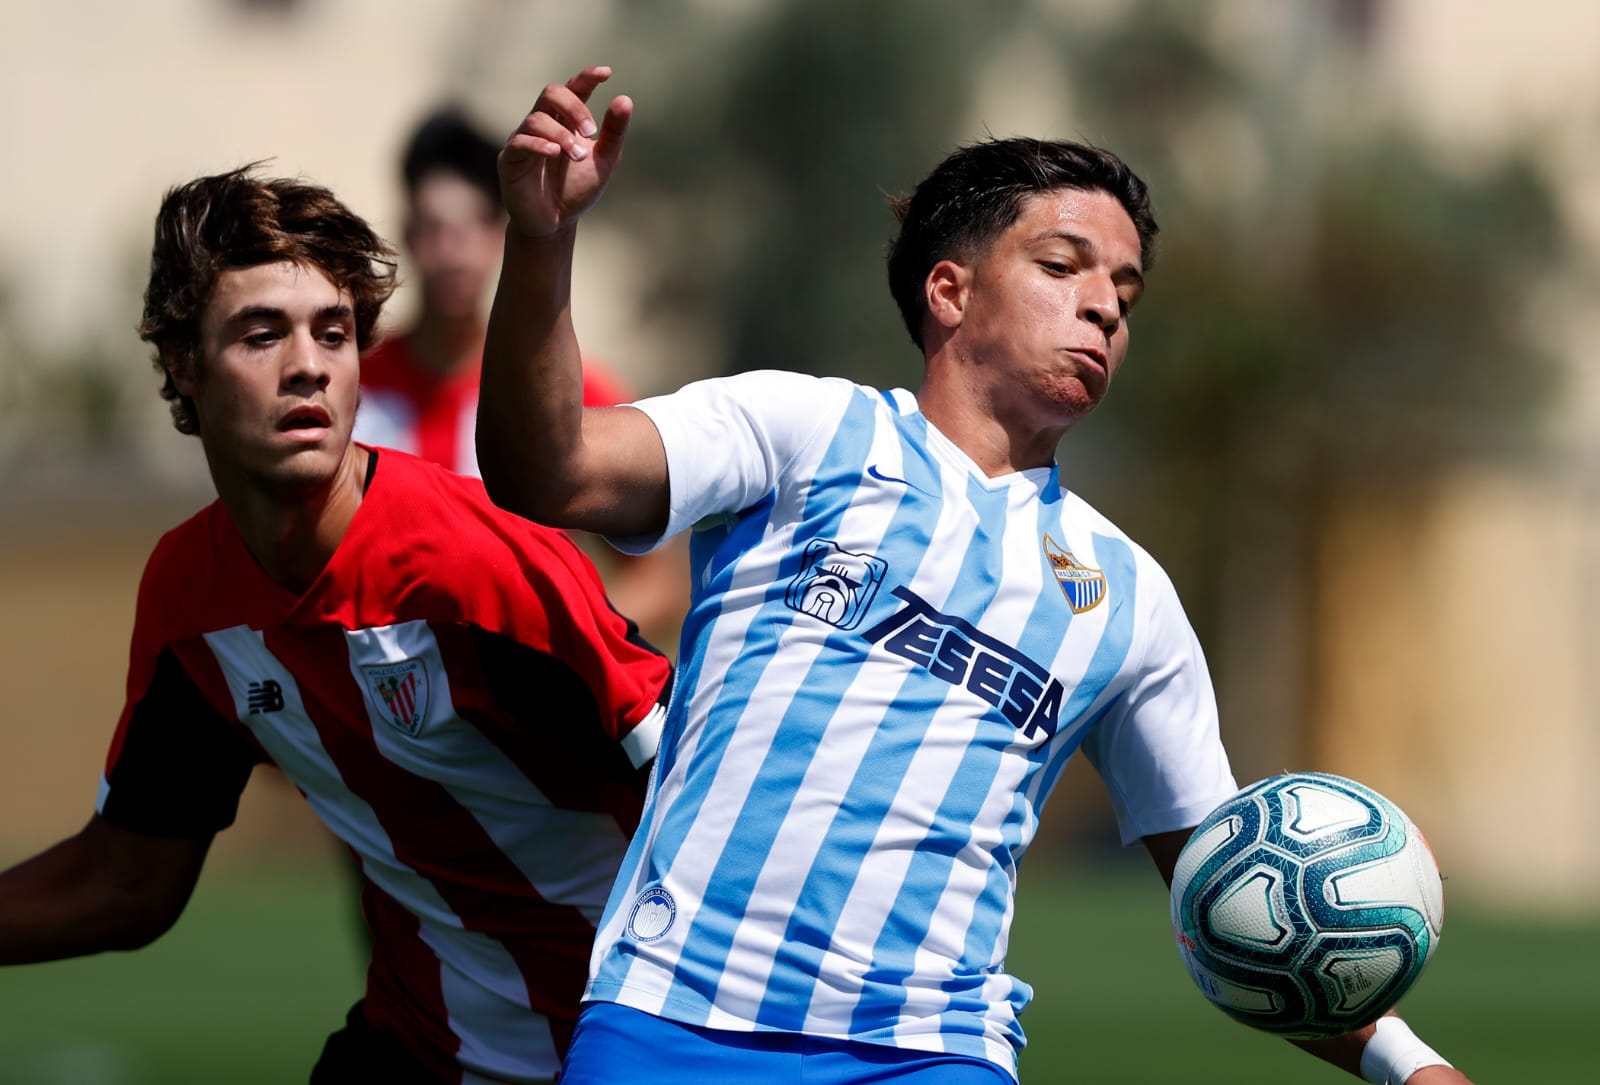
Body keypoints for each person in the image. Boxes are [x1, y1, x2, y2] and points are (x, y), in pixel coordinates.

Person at [473, 67, 1473, 1085]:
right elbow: (546, 467)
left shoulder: (1129, 599)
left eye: (1122, 293)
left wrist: (1412, 1066)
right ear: (948, 288)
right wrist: (543, 238)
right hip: (672, 1016)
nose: (1102, 309)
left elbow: (1236, 901)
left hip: (932, 1049)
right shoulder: (803, 431)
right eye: (1063, 266)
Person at [0, 165, 673, 1085]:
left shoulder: (479, 568)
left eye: (335, 332)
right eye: (261, 332)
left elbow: (702, 805)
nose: (309, 363)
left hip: (626, 1046)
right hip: (419, 1048)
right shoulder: (189, 599)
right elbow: (125, 881)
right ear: (182, 364)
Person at [355, 107, 685, 645]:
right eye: (435, 227)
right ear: (408, 235)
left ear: (500, 232)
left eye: (473, 224)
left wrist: (553, 648)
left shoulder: (567, 395)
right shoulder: (351, 387)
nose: (453, 251)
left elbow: (658, 581)